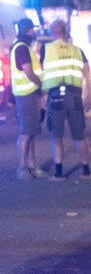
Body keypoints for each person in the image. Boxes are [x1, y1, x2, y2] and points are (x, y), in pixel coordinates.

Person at [41, 20, 91, 181]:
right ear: (66, 32)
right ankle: (86, 171)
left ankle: (58, 172)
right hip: (75, 97)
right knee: (80, 135)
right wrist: (89, 96)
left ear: (52, 32)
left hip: (55, 97)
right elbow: (88, 75)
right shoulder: (78, 51)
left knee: (56, 136)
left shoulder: (46, 49)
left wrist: (44, 97)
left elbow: (44, 73)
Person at [11, 18, 47, 180]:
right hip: (26, 95)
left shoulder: (23, 47)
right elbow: (29, 72)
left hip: (30, 95)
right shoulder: (22, 48)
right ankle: (22, 168)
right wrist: (41, 85)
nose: (34, 32)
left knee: (31, 130)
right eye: (32, 29)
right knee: (26, 131)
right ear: (28, 30)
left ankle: (32, 166)